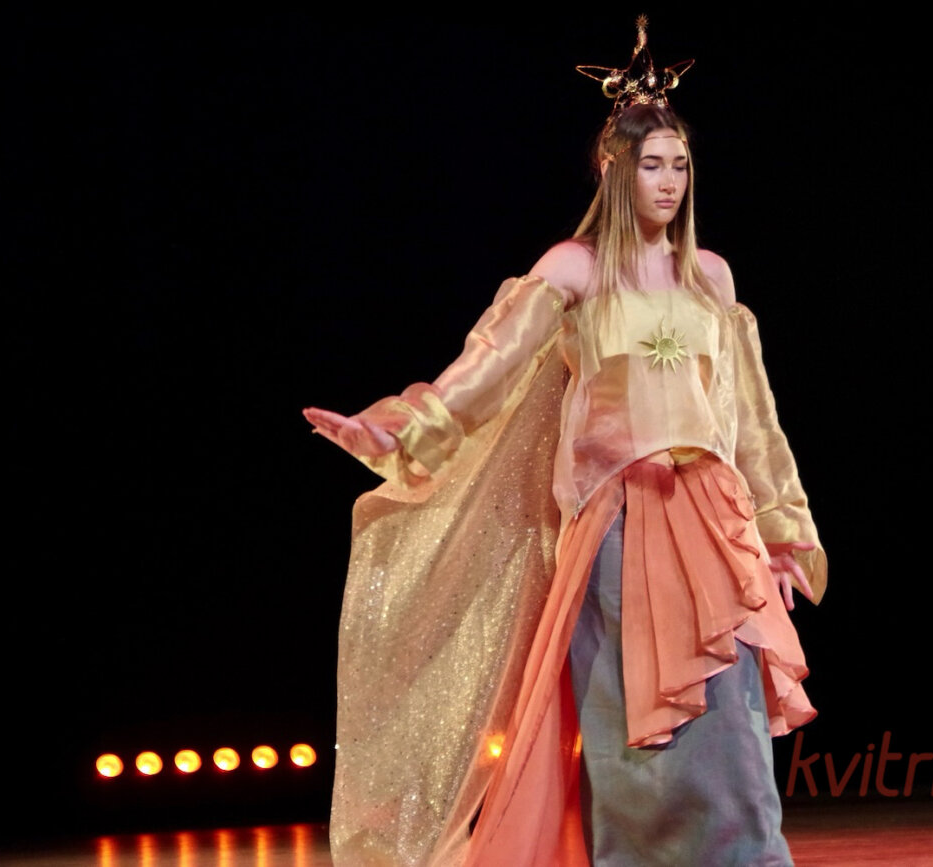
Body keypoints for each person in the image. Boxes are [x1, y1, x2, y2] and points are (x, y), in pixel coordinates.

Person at [304, 20, 826, 867]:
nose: (670, 181)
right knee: (630, 711)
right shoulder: (575, 269)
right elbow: (486, 370)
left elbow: (751, 419)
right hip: (618, 519)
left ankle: (747, 854)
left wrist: (781, 532)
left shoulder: (711, 277)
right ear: (616, 172)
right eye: (652, 165)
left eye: (680, 164)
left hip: (711, 518)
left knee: (726, 702)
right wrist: (396, 425)